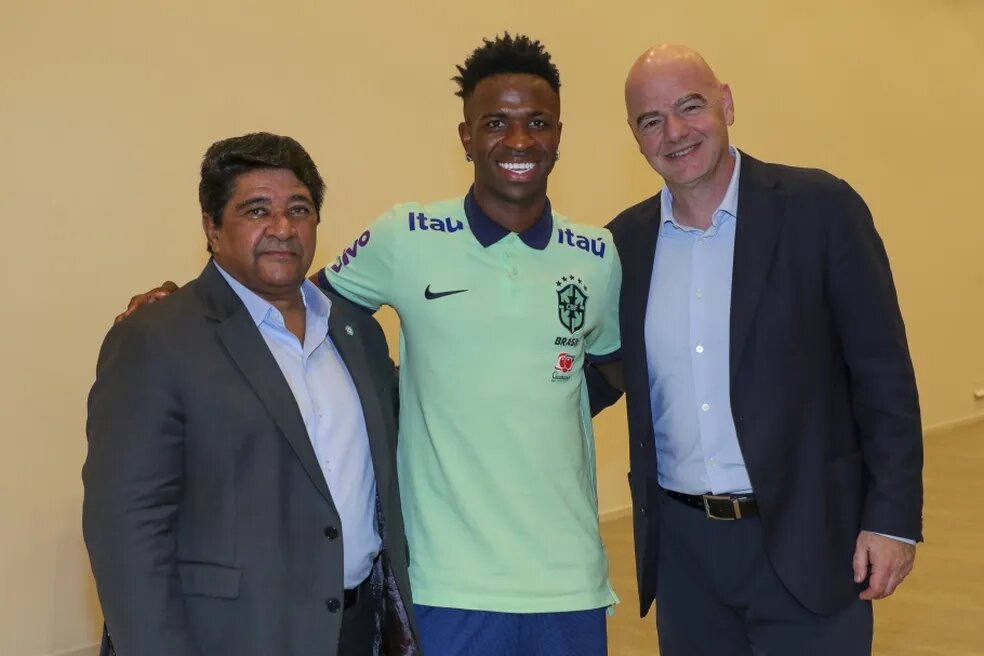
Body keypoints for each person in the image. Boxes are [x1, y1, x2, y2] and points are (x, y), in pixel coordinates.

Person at [116, 34, 622, 656]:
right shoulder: (405, 235)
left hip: (570, 577)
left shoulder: (597, 255)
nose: (519, 140)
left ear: (560, 134)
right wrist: (186, 308)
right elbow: (292, 298)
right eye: (496, 122)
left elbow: (607, 367)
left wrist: (526, 409)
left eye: (538, 122)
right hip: (445, 580)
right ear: (465, 136)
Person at [596, 44, 924, 655]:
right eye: (651, 119)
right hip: (685, 561)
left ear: (726, 103)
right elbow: (592, 374)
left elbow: (883, 375)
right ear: (635, 136)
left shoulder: (820, 208)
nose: (674, 132)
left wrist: (892, 519)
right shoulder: (623, 245)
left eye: (690, 106)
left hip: (810, 543)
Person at [83, 133, 418, 656]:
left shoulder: (357, 333)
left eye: (298, 209)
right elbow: (127, 528)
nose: (282, 228)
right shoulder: (156, 339)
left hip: (355, 631)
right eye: (256, 210)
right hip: (229, 638)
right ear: (212, 228)